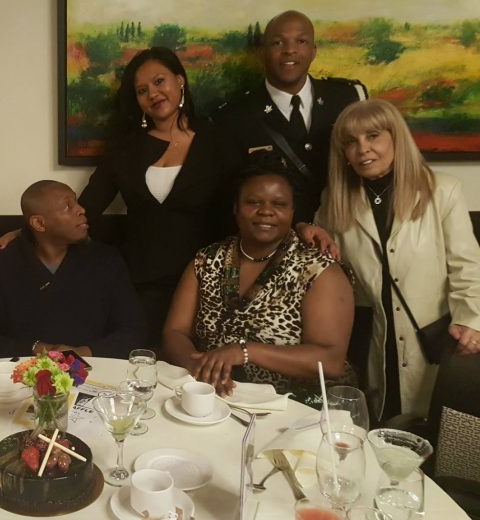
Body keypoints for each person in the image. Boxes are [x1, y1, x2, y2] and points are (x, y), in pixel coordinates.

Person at [0, 47, 239, 345]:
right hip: (142, 280)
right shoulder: (126, 146)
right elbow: (89, 204)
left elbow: (235, 209)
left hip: (203, 281)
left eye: (160, 82)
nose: (153, 94)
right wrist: (25, 230)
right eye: (142, 90)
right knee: (142, 366)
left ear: (180, 80)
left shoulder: (217, 139)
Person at [318, 99, 480, 420]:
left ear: (396, 138)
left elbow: (466, 264)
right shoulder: (334, 200)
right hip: (370, 338)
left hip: (434, 339)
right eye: (351, 142)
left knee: (434, 429)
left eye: (373, 136)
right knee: (382, 423)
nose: (362, 148)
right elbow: (323, 265)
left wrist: (470, 320)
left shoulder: (442, 190)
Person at [162, 154, 354, 401]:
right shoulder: (207, 260)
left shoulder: (317, 268)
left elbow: (330, 361)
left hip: (299, 407)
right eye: (253, 202)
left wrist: (243, 352)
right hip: (216, 398)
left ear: (293, 211)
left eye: (279, 204)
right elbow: (174, 332)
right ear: (236, 208)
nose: (266, 211)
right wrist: (197, 364)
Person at [0, 180, 146, 361]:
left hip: (98, 375)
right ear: (39, 223)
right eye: (67, 207)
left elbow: (133, 331)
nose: (81, 209)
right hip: (19, 379)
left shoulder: (106, 261)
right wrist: (39, 349)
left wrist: (83, 353)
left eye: (77, 202)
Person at [214, 10, 367, 222]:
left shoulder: (347, 98)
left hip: (347, 233)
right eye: (278, 43)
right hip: (278, 245)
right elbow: (232, 199)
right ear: (261, 53)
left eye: (301, 41)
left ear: (313, 51)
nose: (290, 50)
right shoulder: (234, 117)